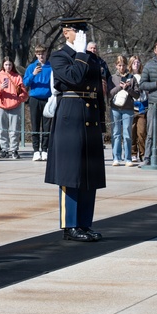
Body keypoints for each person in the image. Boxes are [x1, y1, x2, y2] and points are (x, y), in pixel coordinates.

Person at [45, 17, 106, 242]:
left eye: (83, 31)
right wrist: (80, 54)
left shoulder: (91, 57)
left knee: (89, 173)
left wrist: (101, 119)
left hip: (89, 117)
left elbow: (98, 89)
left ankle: (84, 223)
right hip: (70, 118)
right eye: (76, 30)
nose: (82, 34)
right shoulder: (59, 56)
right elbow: (74, 78)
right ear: (65, 33)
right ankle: (70, 225)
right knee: (70, 173)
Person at [0, 57, 28, 159]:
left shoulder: (17, 77)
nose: (8, 67)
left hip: (14, 106)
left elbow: (23, 93)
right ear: (3, 65)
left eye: (10, 65)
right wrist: (0, 88)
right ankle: (4, 149)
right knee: (2, 129)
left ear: (13, 66)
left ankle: (14, 149)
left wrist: (19, 94)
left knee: (14, 130)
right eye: (6, 65)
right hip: (1, 106)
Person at [23, 46, 53, 162]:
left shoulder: (51, 68)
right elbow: (25, 83)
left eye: (43, 54)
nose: (41, 56)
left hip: (47, 98)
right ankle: (36, 151)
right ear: (36, 55)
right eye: (39, 54)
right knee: (35, 124)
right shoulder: (31, 67)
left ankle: (45, 150)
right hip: (34, 98)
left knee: (46, 126)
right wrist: (33, 74)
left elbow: (54, 83)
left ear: (46, 54)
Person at [109, 55, 139, 167]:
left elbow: (137, 95)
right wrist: (119, 87)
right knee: (116, 134)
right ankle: (116, 157)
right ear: (116, 66)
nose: (121, 67)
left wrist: (128, 88)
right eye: (119, 65)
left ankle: (128, 158)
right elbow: (109, 94)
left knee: (127, 134)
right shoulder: (112, 78)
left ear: (127, 65)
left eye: (123, 65)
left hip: (128, 109)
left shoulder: (132, 78)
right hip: (115, 108)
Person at [130, 55, 148, 163]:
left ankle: (143, 153)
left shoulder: (144, 76)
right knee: (132, 132)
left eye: (138, 62)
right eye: (134, 63)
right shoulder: (129, 76)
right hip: (131, 107)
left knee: (141, 132)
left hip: (142, 107)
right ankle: (133, 153)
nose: (136, 64)